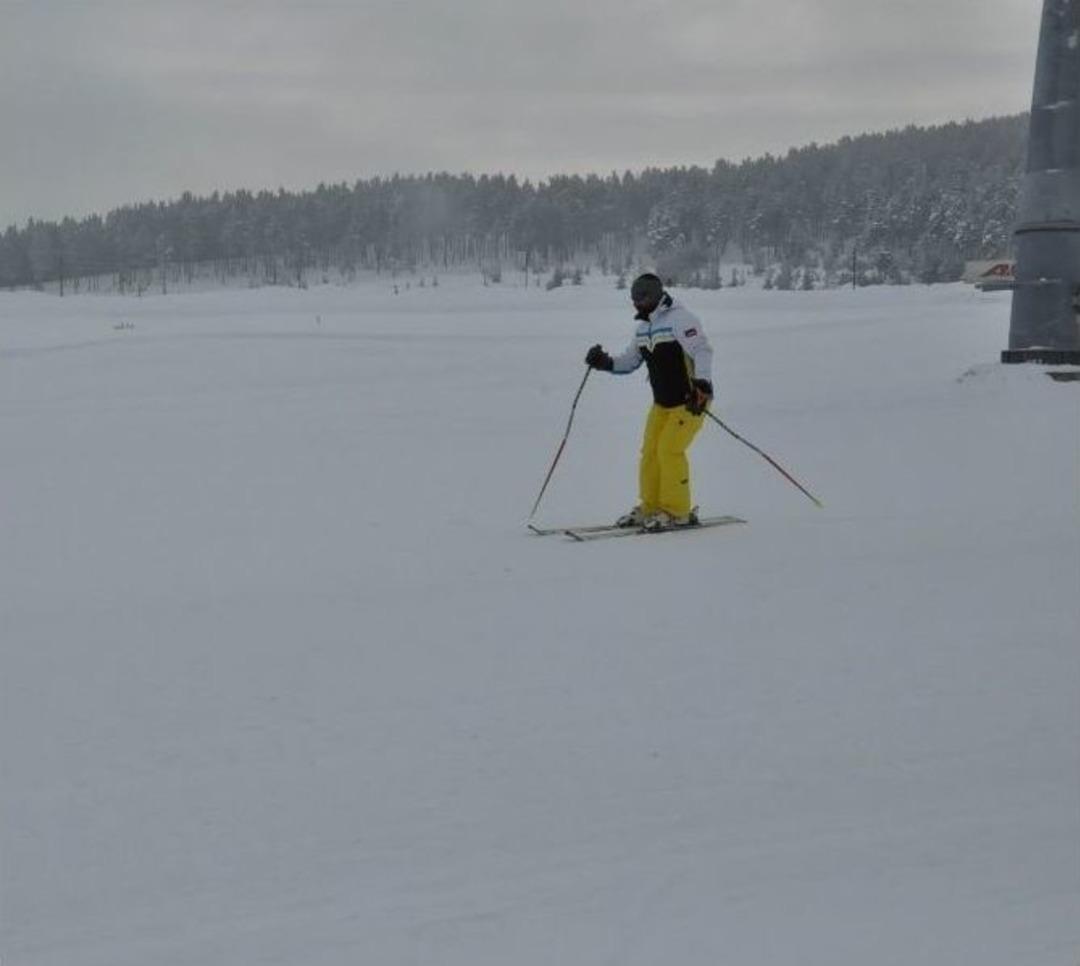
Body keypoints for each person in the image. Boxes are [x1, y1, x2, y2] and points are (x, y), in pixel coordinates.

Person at [585, 273, 714, 530]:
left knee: (669, 450)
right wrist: (605, 362)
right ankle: (651, 507)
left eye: (643, 298)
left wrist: (702, 384)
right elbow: (629, 362)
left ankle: (677, 511)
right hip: (662, 405)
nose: (638, 304)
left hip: (691, 402)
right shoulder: (643, 329)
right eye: (634, 299)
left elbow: (702, 350)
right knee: (650, 454)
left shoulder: (681, 319)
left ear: (655, 296)